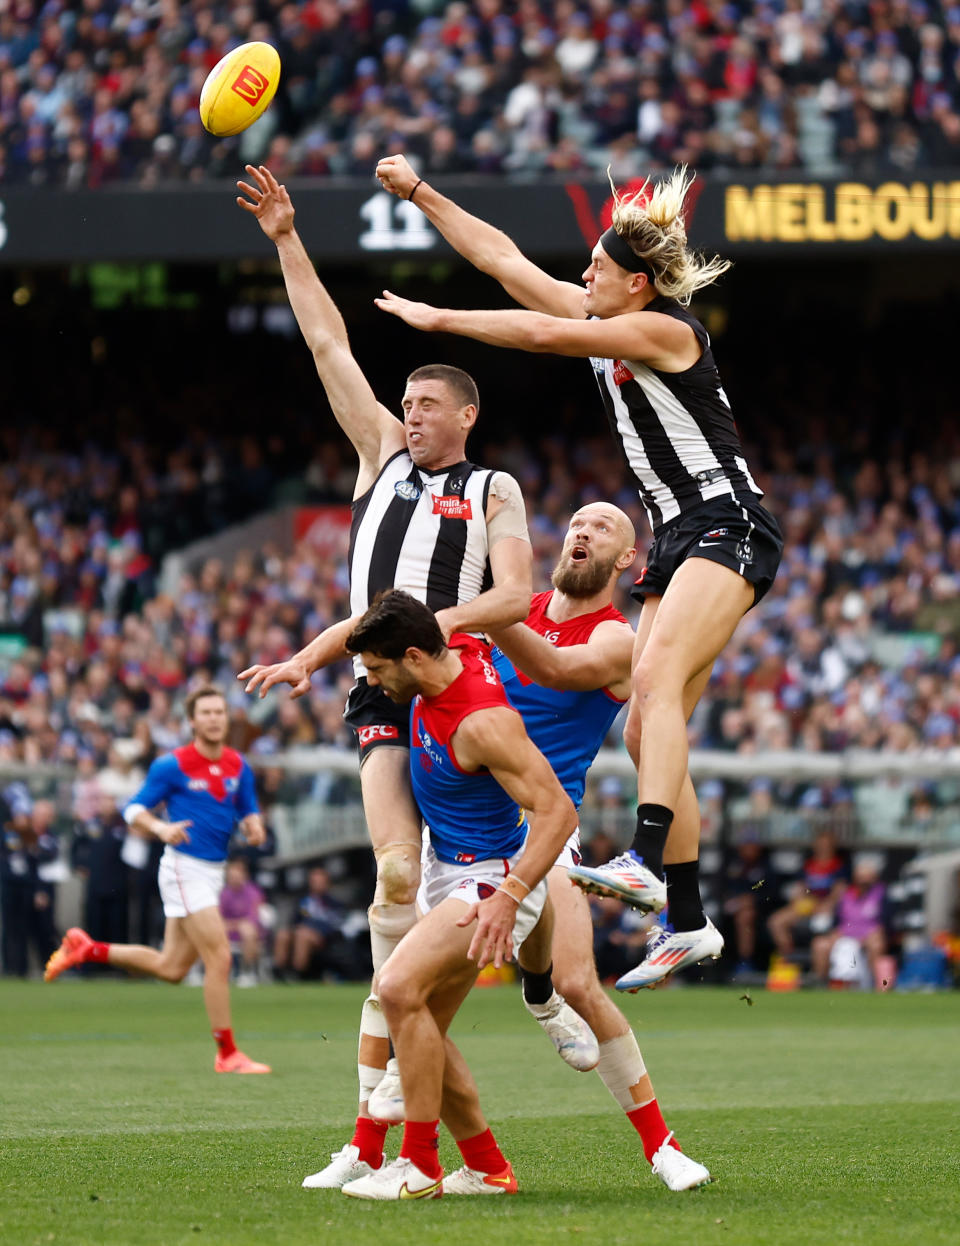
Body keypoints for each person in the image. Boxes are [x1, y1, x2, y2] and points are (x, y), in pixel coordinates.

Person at [373, 154, 783, 982]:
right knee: (642, 726)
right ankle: (691, 916)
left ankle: (640, 856)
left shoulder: (663, 330)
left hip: (723, 519)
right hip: (674, 535)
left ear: (636, 286)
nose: (584, 272)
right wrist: (421, 193)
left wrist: (440, 321)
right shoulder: (611, 320)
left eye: (599, 266)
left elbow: (544, 331)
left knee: (654, 680)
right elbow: (502, 257)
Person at [234, 166, 532, 1123]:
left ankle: (549, 986)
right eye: (405, 403)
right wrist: (286, 238)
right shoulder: (380, 459)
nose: (410, 414)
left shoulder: (493, 492)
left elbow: (518, 593)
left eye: (428, 405)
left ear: (467, 416)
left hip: (461, 688)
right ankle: (385, 1072)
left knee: (516, 857)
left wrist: (438, 624)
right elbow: (327, 343)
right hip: (380, 693)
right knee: (397, 871)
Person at [367, 503, 711, 1191]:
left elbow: (551, 666)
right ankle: (418, 1152)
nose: (583, 531)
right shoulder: (507, 613)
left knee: (580, 981)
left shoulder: (620, 641)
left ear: (624, 562)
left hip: (541, 823)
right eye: (577, 523)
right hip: (466, 826)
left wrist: (484, 613)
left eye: (604, 528)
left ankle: (660, 1145)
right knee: (415, 1002)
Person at [335, 589, 579, 1201]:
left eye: (378, 671)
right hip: (452, 873)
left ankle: (419, 1169)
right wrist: (304, 663)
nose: (373, 683)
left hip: (490, 881)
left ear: (414, 658)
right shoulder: (452, 645)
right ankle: (489, 1170)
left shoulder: (482, 724)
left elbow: (558, 812)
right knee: (425, 1033)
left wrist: (510, 894)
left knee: (395, 989)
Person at [44, 686, 271, 1075]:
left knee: (172, 969)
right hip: (184, 867)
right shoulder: (172, 765)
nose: (215, 718)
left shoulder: (238, 764)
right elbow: (133, 808)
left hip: (212, 872)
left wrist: (255, 827)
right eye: (207, 712)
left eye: (220, 712)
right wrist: (159, 828)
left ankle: (87, 949)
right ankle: (227, 1053)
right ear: (193, 721)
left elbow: (249, 810)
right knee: (218, 957)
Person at [219, 857, 266, 986]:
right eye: (231, 876)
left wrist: (234, 924)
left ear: (244, 876)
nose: (234, 879)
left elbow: (253, 917)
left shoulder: (253, 892)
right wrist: (233, 924)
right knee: (207, 929)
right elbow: (218, 917)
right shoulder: (224, 893)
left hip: (250, 933)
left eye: (237, 875)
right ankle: (206, 972)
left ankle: (247, 972)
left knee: (247, 930)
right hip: (229, 931)